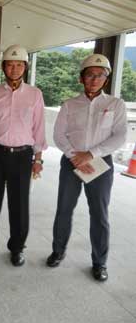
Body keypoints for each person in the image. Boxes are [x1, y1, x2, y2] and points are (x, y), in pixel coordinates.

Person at [47, 54, 127, 282]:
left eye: (99, 75)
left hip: (101, 163)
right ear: (81, 78)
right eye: (90, 75)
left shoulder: (115, 104)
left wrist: (90, 155)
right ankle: (58, 251)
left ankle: (99, 262)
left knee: (99, 214)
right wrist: (75, 156)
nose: (94, 79)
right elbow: (59, 135)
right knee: (64, 209)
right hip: (71, 163)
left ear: (106, 79)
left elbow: (120, 135)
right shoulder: (70, 104)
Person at [0, 44, 47, 266]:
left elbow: (39, 129)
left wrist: (38, 159)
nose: (14, 69)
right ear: (3, 67)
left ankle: (17, 247)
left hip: (22, 156)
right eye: (10, 64)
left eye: (19, 65)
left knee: (20, 204)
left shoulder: (35, 95)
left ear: (25, 67)